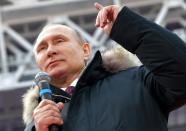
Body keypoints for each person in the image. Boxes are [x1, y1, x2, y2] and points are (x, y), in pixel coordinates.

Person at [22, 2, 186, 131]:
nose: (50, 51)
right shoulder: (36, 126)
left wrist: (128, 26)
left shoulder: (137, 81)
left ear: (85, 50)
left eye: (59, 41)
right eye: (42, 48)